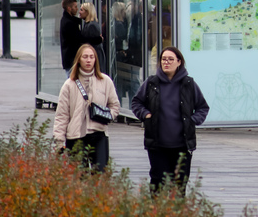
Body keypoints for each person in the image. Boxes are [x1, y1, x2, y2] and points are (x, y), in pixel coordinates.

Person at [131, 47, 210, 192]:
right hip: (157, 145)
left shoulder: (189, 84)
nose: (166, 62)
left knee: (179, 185)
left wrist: (193, 120)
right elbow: (136, 103)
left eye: (170, 59)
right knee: (157, 183)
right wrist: (145, 114)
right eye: (163, 59)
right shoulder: (151, 83)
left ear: (179, 62)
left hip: (182, 145)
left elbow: (203, 107)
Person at [53, 44, 120, 172]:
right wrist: (59, 141)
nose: (89, 60)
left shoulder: (105, 81)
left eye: (91, 57)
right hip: (76, 136)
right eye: (85, 57)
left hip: (99, 134)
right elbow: (62, 115)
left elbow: (115, 106)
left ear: (96, 60)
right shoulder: (69, 84)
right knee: (79, 177)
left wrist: (107, 115)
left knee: (100, 174)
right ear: (79, 59)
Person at [79, 2, 105, 73]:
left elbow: (94, 43)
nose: (79, 12)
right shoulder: (88, 24)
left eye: (82, 10)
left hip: (95, 57)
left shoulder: (91, 25)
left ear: (87, 12)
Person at [60, 0, 83, 77]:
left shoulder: (68, 19)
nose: (77, 9)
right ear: (69, 8)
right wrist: (98, 39)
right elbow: (79, 38)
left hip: (70, 59)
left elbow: (78, 20)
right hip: (71, 60)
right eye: (75, 7)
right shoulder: (69, 23)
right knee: (72, 82)